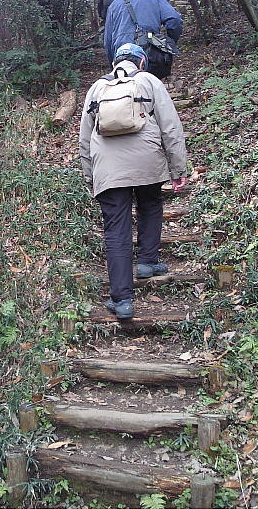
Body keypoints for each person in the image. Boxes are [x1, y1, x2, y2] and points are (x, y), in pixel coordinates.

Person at [79, 43, 187, 320]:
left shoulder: (97, 88)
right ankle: (148, 261)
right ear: (141, 63)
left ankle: (122, 300)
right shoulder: (149, 81)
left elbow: (84, 138)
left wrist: (91, 177)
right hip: (147, 158)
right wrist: (178, 168)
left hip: (108, 166)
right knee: (150, 204)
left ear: (114, 63)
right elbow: (170, 127)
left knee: (116, 230)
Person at [103, 0, 182, 80]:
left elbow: (108, 40)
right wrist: (169, 42)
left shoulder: (114, 5)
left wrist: (113, 63)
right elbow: (175, 20)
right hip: (149, 52)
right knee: (151, 85)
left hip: (122, 55)